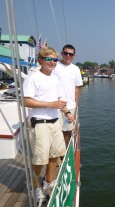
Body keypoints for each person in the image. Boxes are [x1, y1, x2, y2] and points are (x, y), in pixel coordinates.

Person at [23, 47, 74, 203]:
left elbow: (59, 100)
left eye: (55, 60)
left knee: (55, 156)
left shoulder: (54, 79)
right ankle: (35, 187)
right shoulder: (33, 78)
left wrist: (67, 113)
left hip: (55, 123)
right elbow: (26, 101)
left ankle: (48, 182)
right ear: (41, 60)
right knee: (40, 160)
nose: (53, 62)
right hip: (40, 124)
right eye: (49, 59)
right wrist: (51, 104)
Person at [52, 44, 83, 146]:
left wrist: (75, 106)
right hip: (55, 106)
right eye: (66, 53)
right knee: (54, 131)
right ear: (62, 54)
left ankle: (61, 153)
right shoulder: (54, 66)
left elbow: (76, 89)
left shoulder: (75, 69)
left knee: (66, 131)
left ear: (74, 56)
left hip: (70, 106)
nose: (68, 56)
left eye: (71, 54)